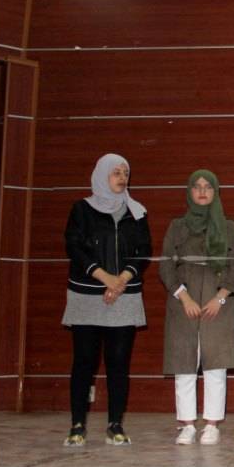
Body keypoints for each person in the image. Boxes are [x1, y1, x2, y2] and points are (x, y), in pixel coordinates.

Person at [62, 153, 152, 446]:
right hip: (87, 294)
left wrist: (121, 279)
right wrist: (104, 277)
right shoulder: (81, 209)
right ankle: (77, 425)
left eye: (125, 172)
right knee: (84, 361)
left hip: (124, 294)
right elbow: (74, 247)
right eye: (116, 172)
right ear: (102, 175)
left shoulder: (136, 212)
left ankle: (115, 424)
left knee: (118, 363)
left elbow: (143, 251)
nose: (122, 177)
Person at [160, 170, 234, 446]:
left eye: (208, 187)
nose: (202, 191)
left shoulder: (229, 227)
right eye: (196, 187)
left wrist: (220, 297)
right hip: (183, 302)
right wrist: (183, 297)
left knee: (215, 366)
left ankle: (211, 424)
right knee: (184, 365)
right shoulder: (177, 226)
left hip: (217, 303)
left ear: (215, 192)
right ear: (189, 191)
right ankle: (186, 425)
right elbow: (166, 265)